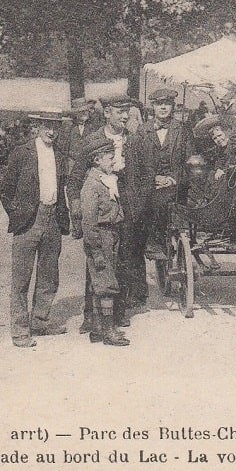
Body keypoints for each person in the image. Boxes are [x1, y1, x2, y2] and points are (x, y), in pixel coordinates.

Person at [0, 113, 71, 348]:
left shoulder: (59, 155)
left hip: (53, 220)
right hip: (28, 221)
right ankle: (20, 331)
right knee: (21, 279)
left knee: (49, 275)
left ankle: (40, 322)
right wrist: (19, 215)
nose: (52, 132)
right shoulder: (22, 153)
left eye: (56, 127)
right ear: (38, 127)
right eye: (47, 127)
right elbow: (6, 190)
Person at [68, 95, 137, 331]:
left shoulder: (133, 139)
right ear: (107, 113)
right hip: (100, 210)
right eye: (120, 112)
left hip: (126, 210)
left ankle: (117, 312)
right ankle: (91, 316)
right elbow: (75, 177)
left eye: (127, 112)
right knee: (97, 262)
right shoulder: (92, 140)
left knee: (123, 260)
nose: (125, 116)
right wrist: (76, 207)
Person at [129, 89, 189, 280]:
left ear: (173, 107)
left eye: (167, 104)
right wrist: (154, 178)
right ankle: (152, 243)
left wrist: (173, 178)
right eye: (158, 104)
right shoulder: (141, 131)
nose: (163, 107)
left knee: (167, 198)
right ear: (152, 107)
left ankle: (162, 242)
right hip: (150, 183)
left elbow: (189, 161)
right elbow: (135, 163)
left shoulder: (183, 130)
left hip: (176, 184)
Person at [79, 138, 129, 347]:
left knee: (100, 283)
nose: (113, 161)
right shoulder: (92, 185)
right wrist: (96, 251)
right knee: (106, 284)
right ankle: (109, 331)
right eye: (110, 158)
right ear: (97, 160)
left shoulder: (105, 180)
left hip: (110, 236)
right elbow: (89, 224)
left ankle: (98, 328)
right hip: (101, 239)